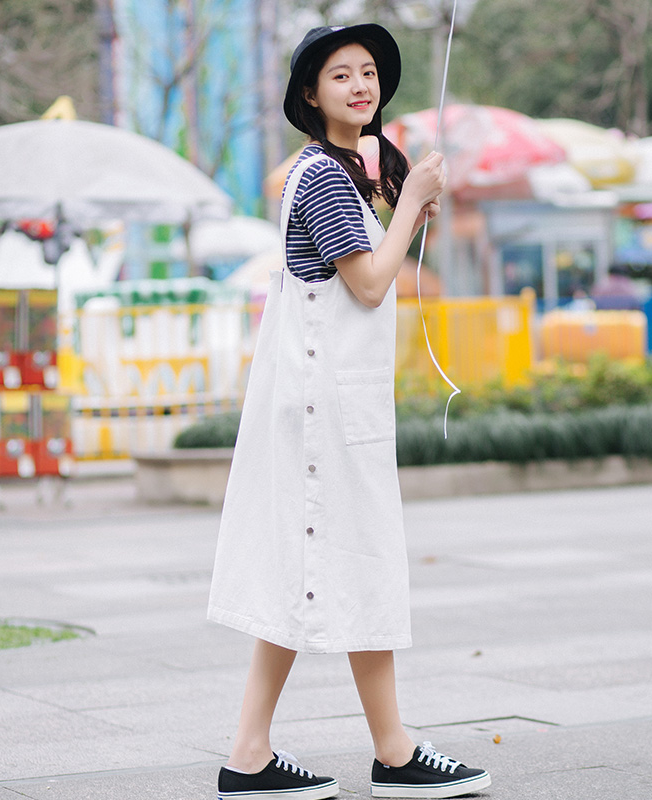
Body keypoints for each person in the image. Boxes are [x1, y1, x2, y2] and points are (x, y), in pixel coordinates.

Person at [208, 23, 491, 800]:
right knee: (355, 560)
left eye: (368, 73)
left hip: (336, 397)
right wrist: (413, 207)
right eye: (341, 75)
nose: (361, 85)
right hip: (320, 403)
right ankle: (378, 753)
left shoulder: (360, 171)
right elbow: (368, 284)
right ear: (310, 93)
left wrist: (407, 199)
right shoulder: (324, 177)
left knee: (326, 569)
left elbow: (384, 265)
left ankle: (258, 754)